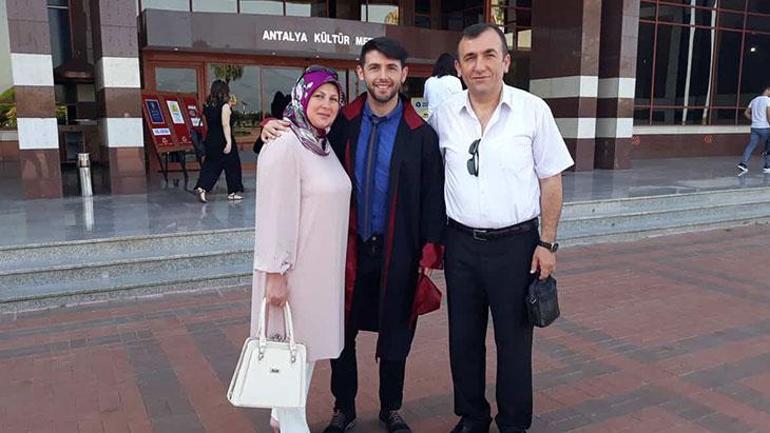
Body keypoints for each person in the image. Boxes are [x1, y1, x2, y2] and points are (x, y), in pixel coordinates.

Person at [260, 38, 446, 433]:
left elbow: (433, 195)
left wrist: (429, 252)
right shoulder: (342, 123)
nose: (383, 76)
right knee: (339, 333)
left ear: (404, 74)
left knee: (397, 331)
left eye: (391, 68)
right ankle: (343, 407)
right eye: (375, 67)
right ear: (361, 72)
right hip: (346, 251)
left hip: (399, 250)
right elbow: (302, 133)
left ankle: (391, 407)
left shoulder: (421, 135)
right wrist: (271, 125)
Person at [428, 24, 574, 433]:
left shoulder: (533, 110)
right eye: (470, 58)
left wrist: (547, 243)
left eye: (489, 55)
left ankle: (513, 422)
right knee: (463, 339)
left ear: (506, 62)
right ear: (459, 68)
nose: (480, 65)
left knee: (514, 342)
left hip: (517, 247)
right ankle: (472, 417)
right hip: (460, 244)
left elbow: (551, 179)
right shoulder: (443, 116)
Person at [250, 65, 351, 433]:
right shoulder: (284, 144)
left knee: (303, 350)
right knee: (289, 352)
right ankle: (293, 424)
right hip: (292, 272)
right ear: (302, 97)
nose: (326, 104)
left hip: (320, 271)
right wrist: (274, 274)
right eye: (318, 95)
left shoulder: (321, 144)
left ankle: (281, 417)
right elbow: (273, 213)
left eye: (334, 98)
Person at [193, 79, 245, 202]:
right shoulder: (224, 106)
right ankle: (232, 191)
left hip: (211, 139)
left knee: (210, 165)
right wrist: (229, 142)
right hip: (223, 139)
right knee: (232, 165)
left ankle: (202, 187)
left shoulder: (208, 106)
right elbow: (225, 125)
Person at [737, 86, 770, 174]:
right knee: (768, 146)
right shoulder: (767, 100)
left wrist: (754, 119)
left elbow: (746, 113)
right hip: (765, 127)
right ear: (768, 90)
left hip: (754, 127)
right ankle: (767, 166)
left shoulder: (754, 100)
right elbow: (768, 114)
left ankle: (743, 163)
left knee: (751, 145)